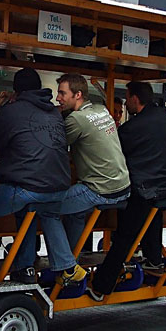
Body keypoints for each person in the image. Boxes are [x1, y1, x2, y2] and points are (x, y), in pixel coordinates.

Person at [0, 68, 85, 288]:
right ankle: (26, 267)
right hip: (59, 186)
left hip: (28, 186)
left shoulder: (11, 112)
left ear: (15, 91)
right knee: (28, 210)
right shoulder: (53, 112)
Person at [88, 81, 166, 300]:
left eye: (128, 98)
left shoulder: (133, 127)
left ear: (135, 99)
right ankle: (154, 259)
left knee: (125, 235)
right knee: (151, 213)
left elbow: (113, 154)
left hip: (146, 188)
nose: (127, 102)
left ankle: (102, 286)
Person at [53, 73, 131, 252]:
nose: (58, 98)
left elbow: (55, 147)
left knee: (46, 208)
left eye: (62, 93)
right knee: (75, 214)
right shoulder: (101, 110)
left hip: (100, 189)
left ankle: (65, 264)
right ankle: (74, 257)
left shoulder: (76, 119)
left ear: (77, 95)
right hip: (123, 187)